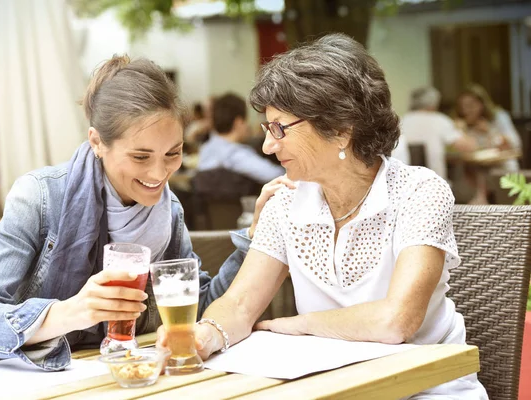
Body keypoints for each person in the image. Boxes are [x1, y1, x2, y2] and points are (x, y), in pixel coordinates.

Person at [158, 34, 488, 398]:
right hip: (334, 389)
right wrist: (204, 335)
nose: (268, 145)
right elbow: (238, 305)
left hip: (426, 387)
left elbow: (396, 321)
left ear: (341, 129)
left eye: (280, 128)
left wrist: (296, 325)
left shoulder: (419, 192)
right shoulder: (285, 202)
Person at [0, 55, 284, 373]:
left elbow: (203, 306)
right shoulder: (39, 197)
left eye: (173, 153)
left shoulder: (167, 210)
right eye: (141, 157)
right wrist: (72, 311)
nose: (159, 173)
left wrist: (254, 238)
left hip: (90, 376)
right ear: (97, 142)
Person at [198, 93, 285, 184]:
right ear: (238, 122)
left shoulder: (205, 148)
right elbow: (275, 174)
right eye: (246, 121)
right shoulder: (235, 154)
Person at [455, 84, 520, 203]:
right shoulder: (462, 124)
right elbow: (463, 149)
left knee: (493, 171)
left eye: (470, 105)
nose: (466, 110)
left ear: (481, 104)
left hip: (501, 165)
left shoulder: (498, 116)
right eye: (462, 106)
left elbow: (515, 144)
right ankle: (479, 203)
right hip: (475, 169)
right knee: (467, 172)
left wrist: (490, 131)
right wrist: (460, 132)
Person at [402, 87, 476, 179]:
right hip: (435, 184)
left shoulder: (402, 121)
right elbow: (468, 147)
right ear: (433, 104)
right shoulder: (439, 119)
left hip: (406, 185)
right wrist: (461, 128)